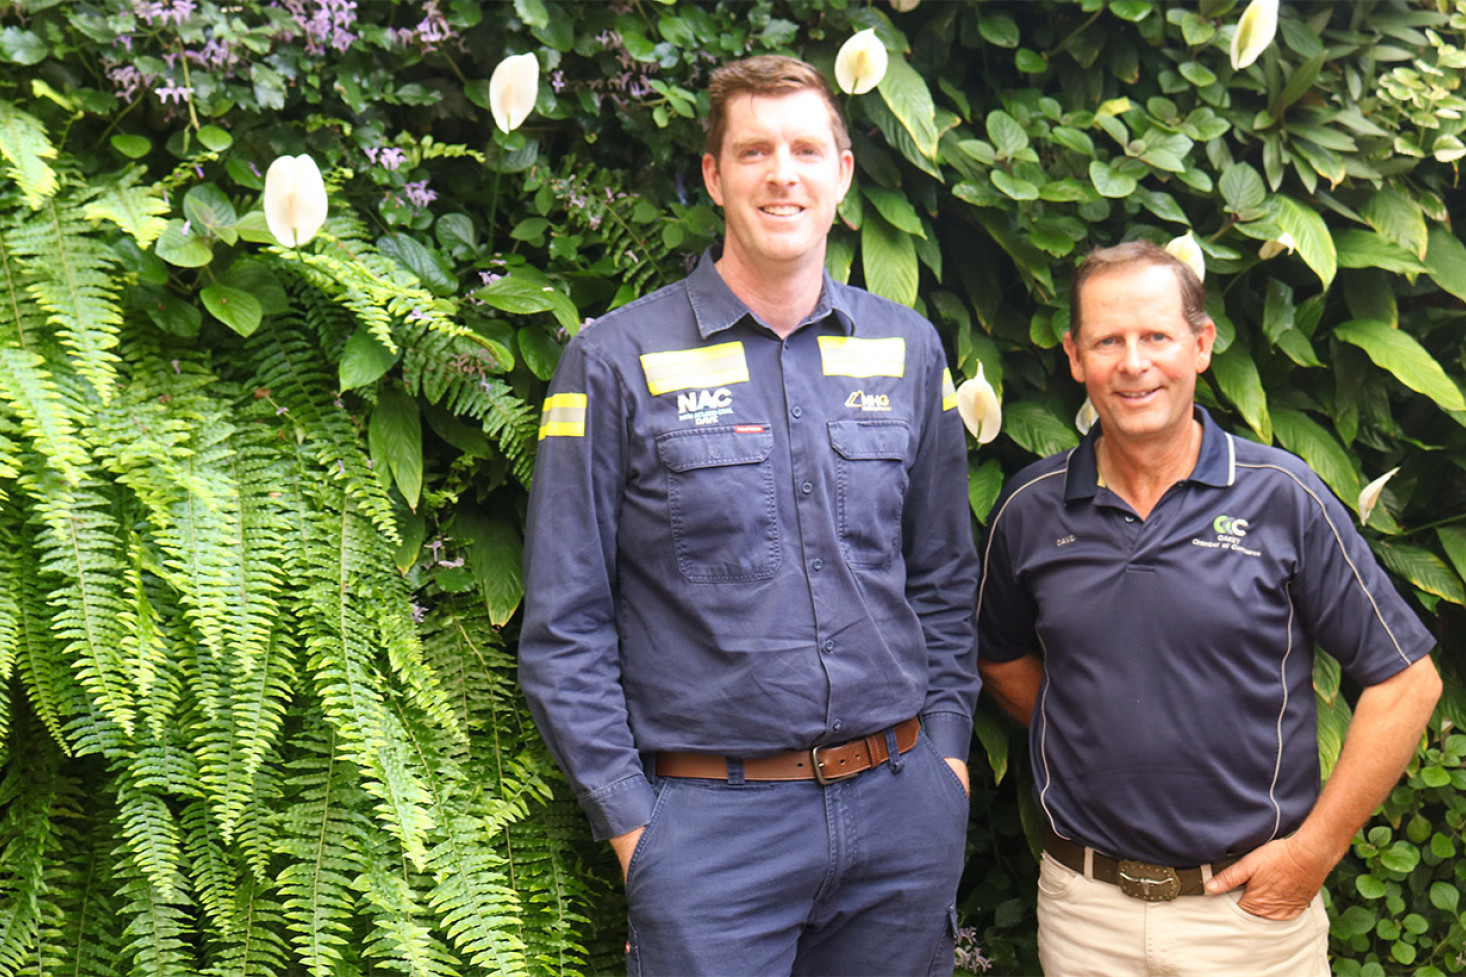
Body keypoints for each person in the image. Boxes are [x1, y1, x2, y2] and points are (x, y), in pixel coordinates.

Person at [518, 55, 979, 976]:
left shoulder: (908, 351)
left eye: (808, 148)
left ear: (842, 175)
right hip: (711, 837)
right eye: (755, 150)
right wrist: (636, 827)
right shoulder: (613, 361)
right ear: (714, 176)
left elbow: (943, 579)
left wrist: (950, 767)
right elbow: (564, 624)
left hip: (900, 812)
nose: (783, 173)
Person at [976, 241, 1441, 977]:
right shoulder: (1029, 510)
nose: (1133, 362)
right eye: (1107, 340)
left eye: (1156, 335)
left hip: (1248, 918)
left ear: (1201, 345)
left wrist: (1314, 852)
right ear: (1074, 356)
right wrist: (1084, 726)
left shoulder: (1283, 497)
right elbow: (997, 654)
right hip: (1085, 911)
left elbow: (1408, 681)